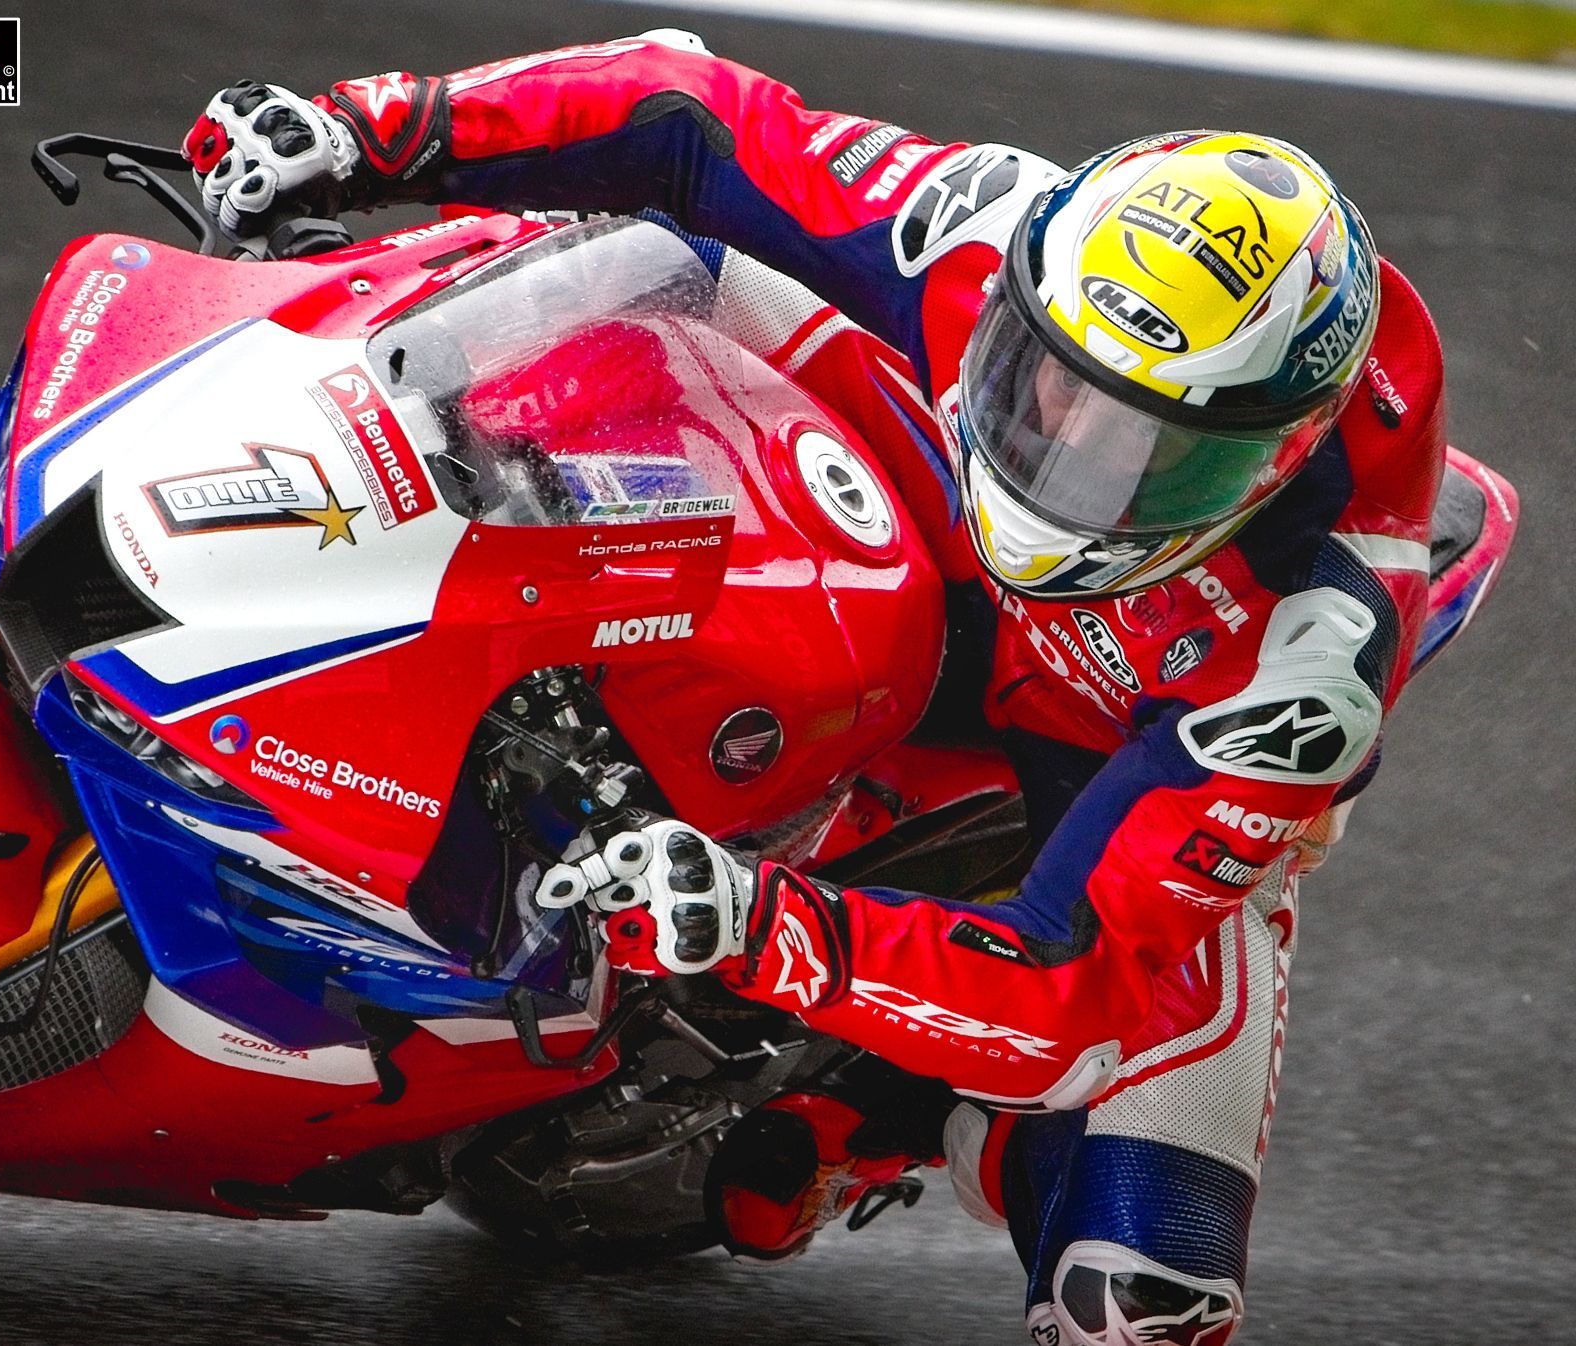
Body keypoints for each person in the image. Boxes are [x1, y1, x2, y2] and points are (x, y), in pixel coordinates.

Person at [182, 31, 1444, 1345]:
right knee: (628, 255)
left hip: (1120, 735)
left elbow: (1063, 994)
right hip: (923, 485)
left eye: (1147, 453)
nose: (1068, 453)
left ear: (1270, 466)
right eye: (1050, 384)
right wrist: (374, 128)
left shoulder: (1306, 662)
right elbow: (694, 115)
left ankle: (889, 1111)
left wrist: (753, 922)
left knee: (1138, 1305)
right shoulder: (995, 230)